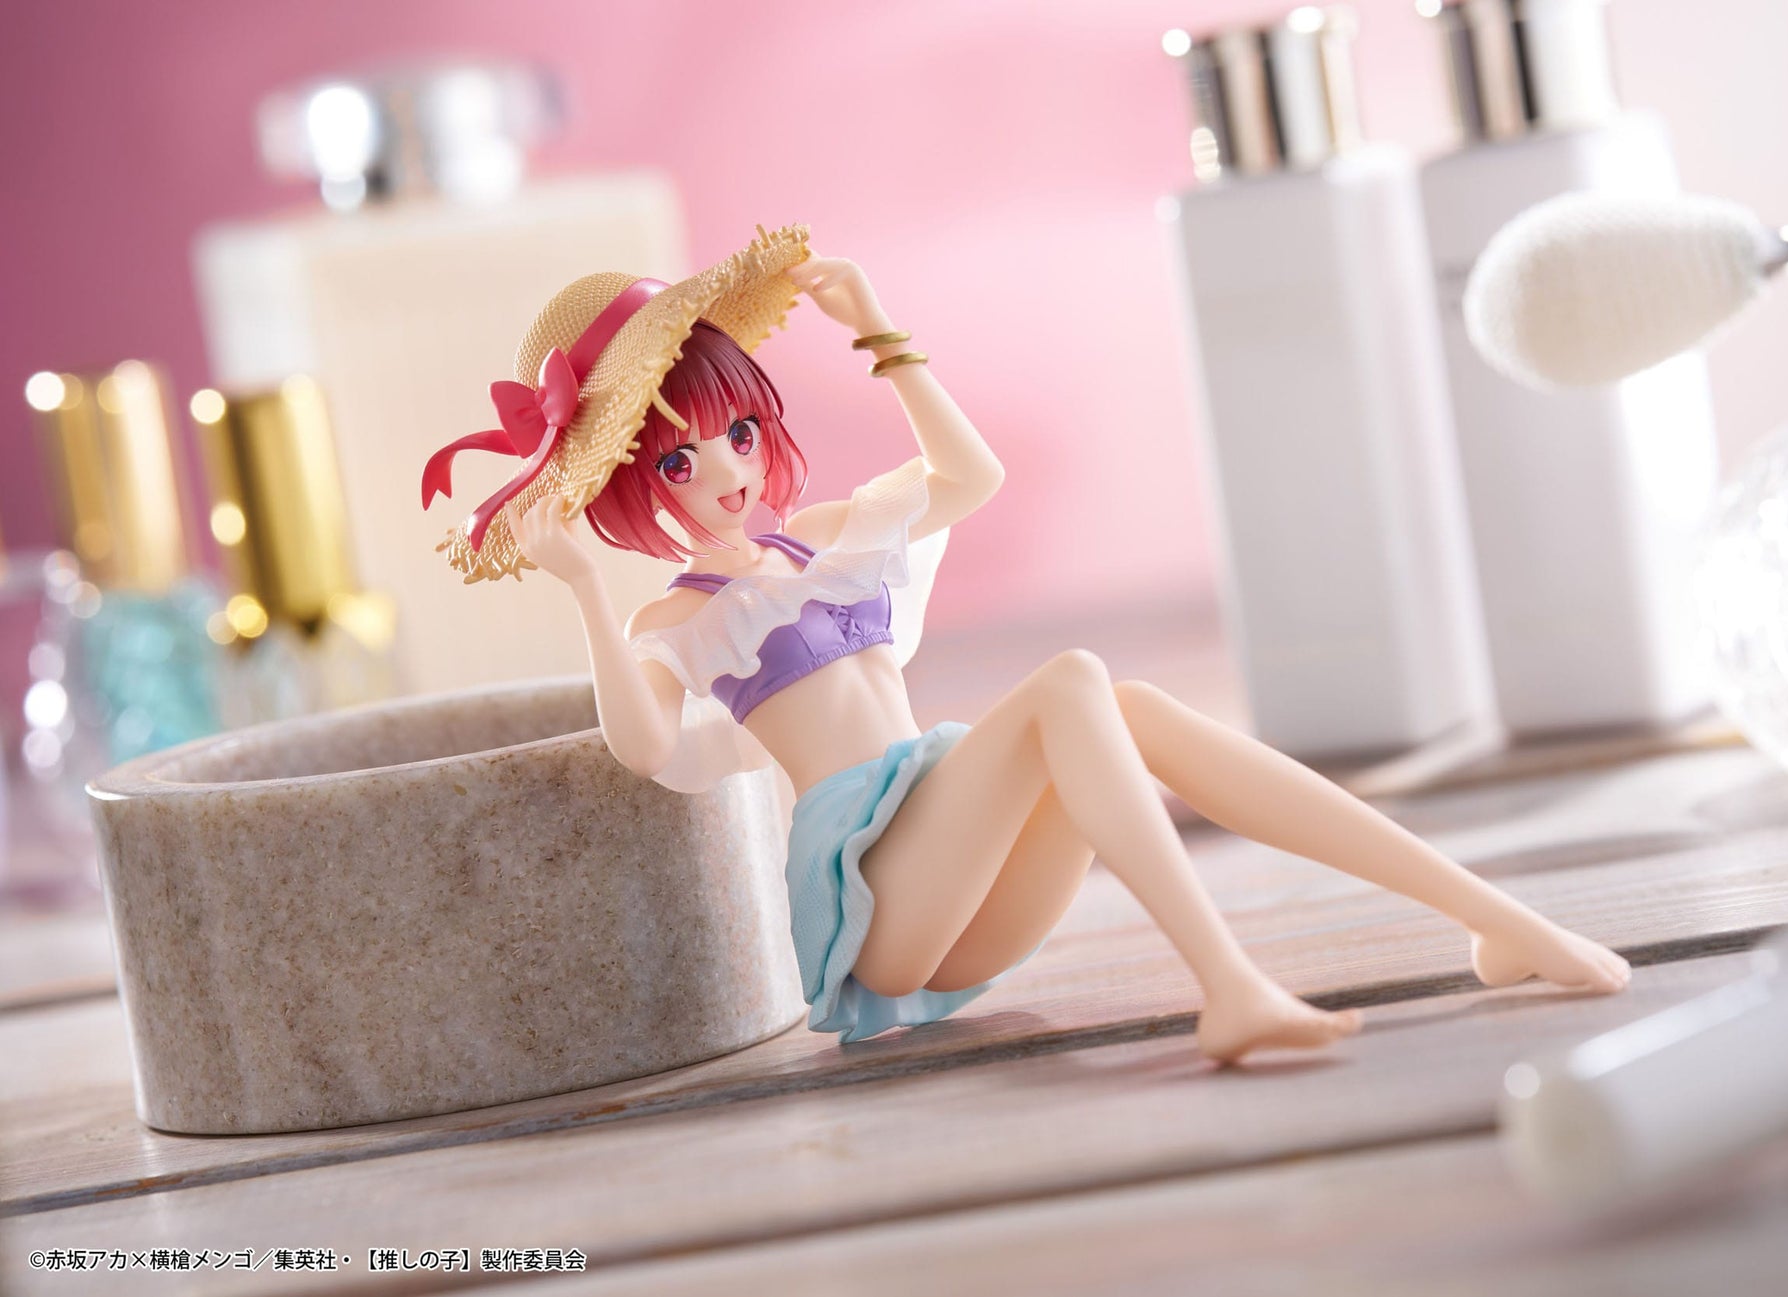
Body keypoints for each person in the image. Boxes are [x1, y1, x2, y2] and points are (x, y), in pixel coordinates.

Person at [424, 226, 1630, 1063]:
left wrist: (880, 332)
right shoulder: (678, 616)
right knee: (1068, 685)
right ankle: (1230, 987)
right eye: (680, 460)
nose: (727, 471)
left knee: (1133, 710)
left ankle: (1489, 917)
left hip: (963, 881)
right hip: (876, 904)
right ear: (632, 487)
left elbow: (969, 476)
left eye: (736, 431)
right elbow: (644, 748)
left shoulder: (829, 539)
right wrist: (583, 587)